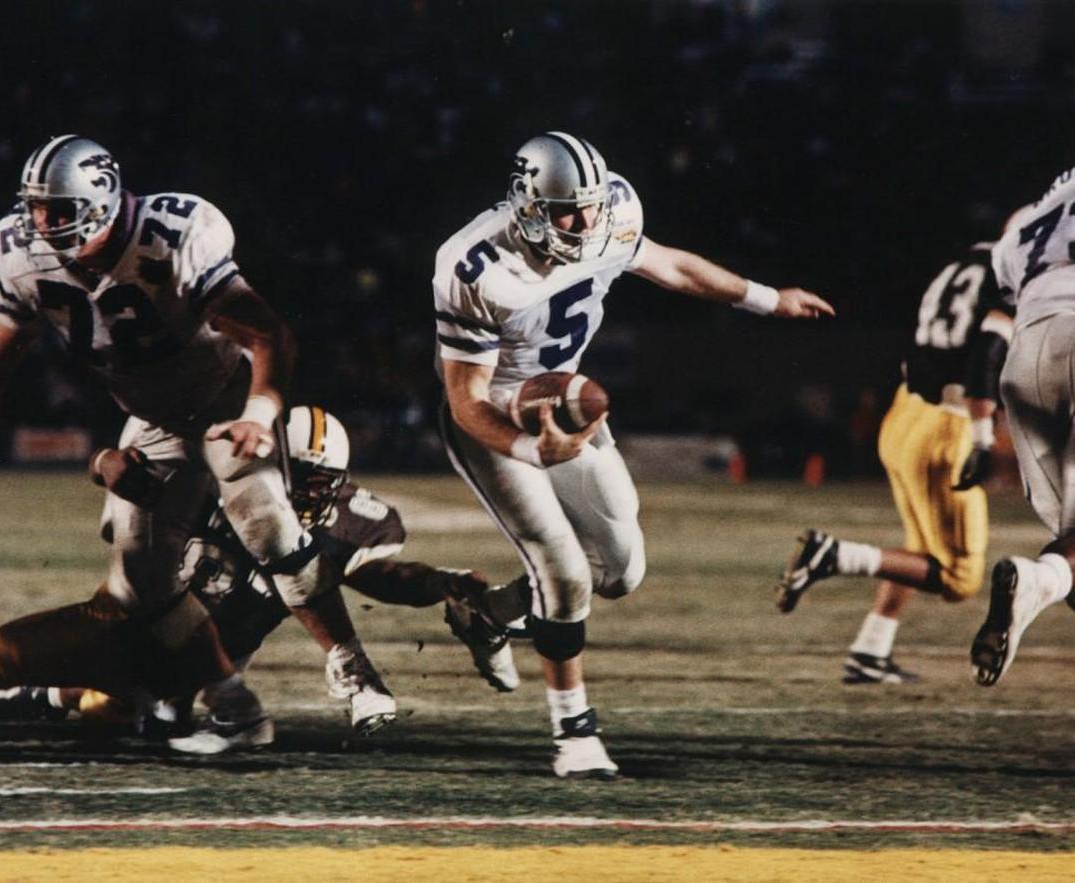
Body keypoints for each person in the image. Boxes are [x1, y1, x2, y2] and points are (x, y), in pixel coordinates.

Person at [0, 136, 365, 744]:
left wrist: (255, 416)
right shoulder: (22, 255)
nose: (40, 222)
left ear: (102, 203)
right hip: (154, 438)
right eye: (35, 207)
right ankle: (222, 705)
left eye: (57, 209)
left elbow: (269, 335)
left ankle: (288, 686)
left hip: (218, 407)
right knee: (129, 614)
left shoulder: (176, 234)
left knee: (255, 539)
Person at [433, 131, 832, 778]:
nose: (585, 221)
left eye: (590, 205)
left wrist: (766, 298)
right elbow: (464, 399)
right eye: (566, 210)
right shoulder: (473, 263)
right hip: (498, 420)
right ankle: (575, 733)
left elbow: (668, 264)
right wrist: (532, 446)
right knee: (561, 572)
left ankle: (487, 609)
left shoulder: (614, 209)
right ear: (528, 203)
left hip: (565, 403)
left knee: (620, 571)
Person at [0, 405, 514, 752]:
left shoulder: (348, 518)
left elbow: (376, 575)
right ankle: (32, 686)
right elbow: (119, 468)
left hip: (200, 662)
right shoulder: (217, 487)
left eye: (326, 480)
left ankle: (45, 692)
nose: (315, 492)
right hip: (133, 624)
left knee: (118, 714)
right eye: (304, 477)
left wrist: (441, 582)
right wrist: (108, 462)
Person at [776, 239, 1013, 683]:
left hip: (906, 411)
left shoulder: (965, 263)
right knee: (960, 578)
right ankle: (834, 556)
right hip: (949, 427)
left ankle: (870, 650)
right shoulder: (1014, 275)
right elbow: (986, 359)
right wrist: (983, 438)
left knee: (918, 549)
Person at [971, 170, 1075, 686]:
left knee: (1071, 553)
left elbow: (1001, 286)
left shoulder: (1032, 213)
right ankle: (1036, 580)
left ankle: (1037, 580)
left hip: (1028, 348)